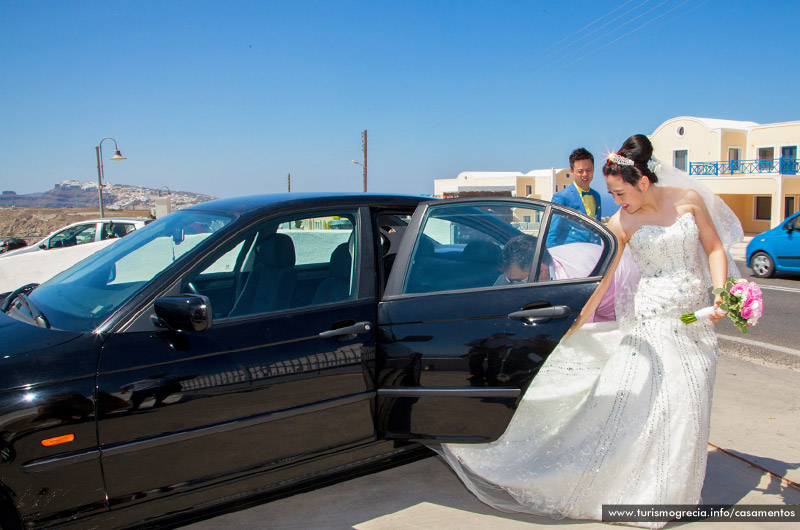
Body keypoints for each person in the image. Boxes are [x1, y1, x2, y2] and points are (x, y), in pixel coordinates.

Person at [436, 134, 743, 528]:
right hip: (651, 322)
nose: (616, 201)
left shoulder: (689, 201)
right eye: (611, 193)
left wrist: (722, 295)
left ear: (643, 182)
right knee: (660, 403)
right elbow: (602, 281)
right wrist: (576, 322)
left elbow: (715, 248)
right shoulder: (622, 222)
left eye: (620, 192)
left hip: (695, 321)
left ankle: (674, 490)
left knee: (690, 404)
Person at [546, 147, 602, 247]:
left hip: (594, 254)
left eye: (589, 170)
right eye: (580, 171)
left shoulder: (596, 196)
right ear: (571, 171)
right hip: (571, 255)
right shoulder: (561, 197)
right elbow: (552, 233)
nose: (585, 174)